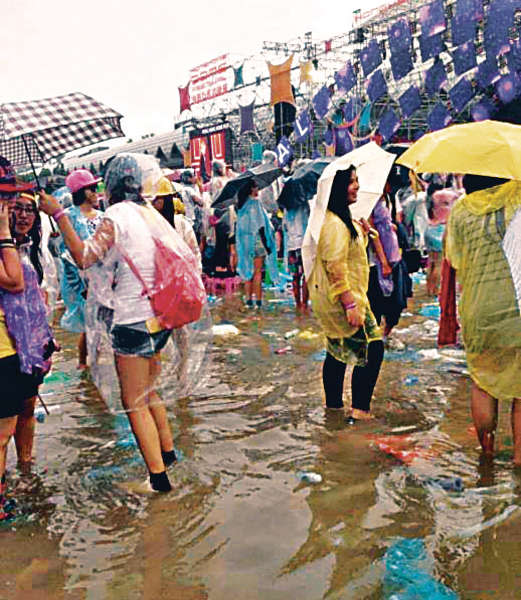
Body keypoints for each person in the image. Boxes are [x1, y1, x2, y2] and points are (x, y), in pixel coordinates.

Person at [39, 154, 181, 492]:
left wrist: (58, 215)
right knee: (150, 392)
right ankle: (169, 453)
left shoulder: (115, 217)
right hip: (159, 319)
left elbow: (84, 257)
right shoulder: (147, 213)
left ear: (113, 185)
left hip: (132, 321)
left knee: (134, 402)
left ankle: (158, 480)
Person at [445, 175, 521, 464]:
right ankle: (518, 460)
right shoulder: (517, 200)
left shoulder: (462, 211)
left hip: (479, 309)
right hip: (517, 305)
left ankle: (487, 455)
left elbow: (455, 258)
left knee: (482, 382)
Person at [307, 167, 384, 422]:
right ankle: (359, 411)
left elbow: (346, 254)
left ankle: (333, 409)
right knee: (373, 347)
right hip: (345, 298)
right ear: (337, 188)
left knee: (337, 351)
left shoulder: (339, 221)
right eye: (351, 182)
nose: (357, 186)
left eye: (357, 180)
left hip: (335, 299)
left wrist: (364, 232)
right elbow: (336, 267)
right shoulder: (335, 224)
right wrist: (350, 304)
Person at [61, 169, 103, 368]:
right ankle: (83, 364)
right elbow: (66, 255)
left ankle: (96, 362)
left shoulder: (103, 216)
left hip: (103, 278)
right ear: (81, 191)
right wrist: (80, 285)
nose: (96, 192)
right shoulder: (68, 218)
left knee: (102, 323)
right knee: (89, 325)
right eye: (91, 188)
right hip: (81, 282)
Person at [367, 191, 412, 341]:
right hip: (376, 262)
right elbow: (372, 233)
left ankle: (382, 336)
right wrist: (383, 261)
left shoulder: (390, 197)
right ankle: (375, 340)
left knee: (397, 304)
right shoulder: (368, 200)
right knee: (377, 306)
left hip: (394, 257)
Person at [235, 179, 279, 308]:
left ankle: (248, 300)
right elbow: (263, 224)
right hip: (257, 241)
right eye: (256, 187)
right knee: (258, 272)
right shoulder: (255, 203)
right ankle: (258, 301)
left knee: (247, 271)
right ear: (251, 189)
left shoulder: (241, 206)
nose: (258, 190)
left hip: (244, 243)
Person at [424, 183, 460, 296]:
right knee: (439, 263)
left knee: (431, 262)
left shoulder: (434, 196)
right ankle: (436, 291)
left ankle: (429, 289)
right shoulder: (452, 196)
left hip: (430, 228)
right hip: (441, 230)